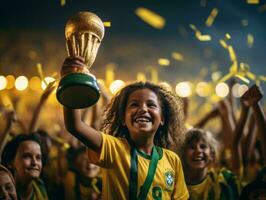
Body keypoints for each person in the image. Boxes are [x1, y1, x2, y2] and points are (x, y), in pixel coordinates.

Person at [61, 57, 189, 200]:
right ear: (123, 118)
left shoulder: (172, 160)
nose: (143, 109)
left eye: (151, 105)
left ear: (162, 119)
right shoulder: (114, 148)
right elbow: (75, 125)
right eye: (134, 104)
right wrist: (71, 80)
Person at [181, 128, 240, 200]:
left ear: (211, 154)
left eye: (203, 146)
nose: (198, 150)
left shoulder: (225, 180)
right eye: (192, 147)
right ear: (183, 154)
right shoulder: (175, 183)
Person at [1, 133, 48, 200]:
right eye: (27, 156)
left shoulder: (39, 186)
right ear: (10, 163)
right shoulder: (6, 193)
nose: (34, 163)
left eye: (38, 157)